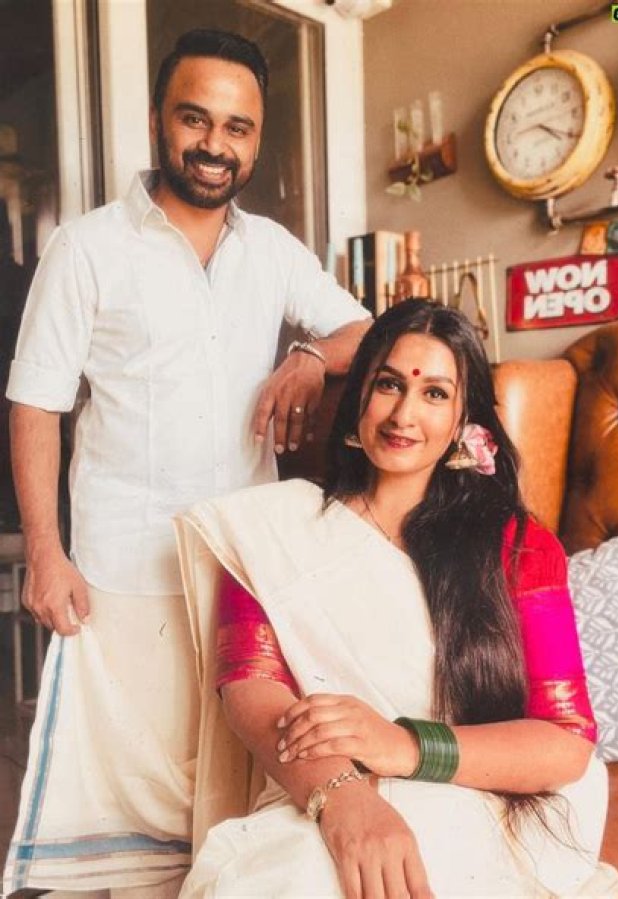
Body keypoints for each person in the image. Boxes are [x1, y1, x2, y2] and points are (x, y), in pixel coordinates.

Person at [2, 28, 370, 898]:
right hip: (122, 572)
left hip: (242, 572)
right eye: (195, 118)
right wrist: (46, 552)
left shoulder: (272, 249)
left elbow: (366, 332)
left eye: (237, 127)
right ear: (158, 120)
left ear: (257, 139)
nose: (214, 144)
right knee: (126, 826)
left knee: (233, 806)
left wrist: (310, 355)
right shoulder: (87, 247)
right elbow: (35, 402)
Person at [175, 300, 618, 898]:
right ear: (359, 396)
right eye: (389, 384)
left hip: (481, 800)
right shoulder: (269, 532)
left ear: (465, 418)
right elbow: (251, 690)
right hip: (321, 790)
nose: (404, 414)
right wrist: (344, 801)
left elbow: (565, 742)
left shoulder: (518, 545)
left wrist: (402, 745)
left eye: (435, 393)